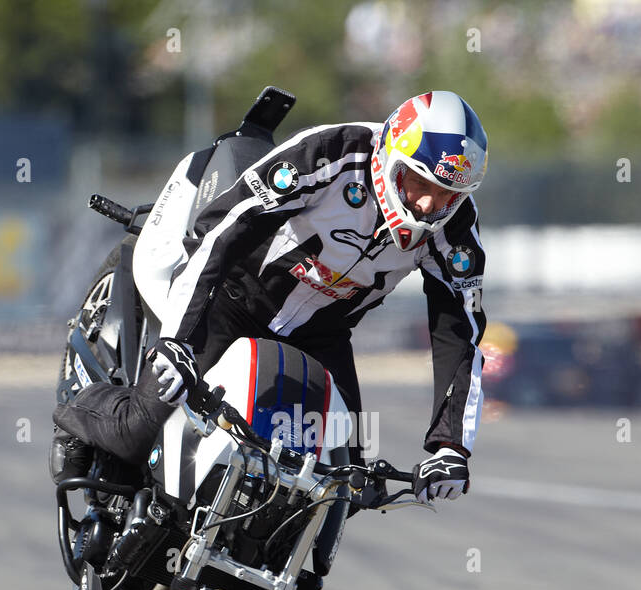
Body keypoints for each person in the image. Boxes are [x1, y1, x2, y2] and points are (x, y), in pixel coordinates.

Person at [54, 90, 488, 504]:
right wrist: (178, 341)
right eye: (419, 182)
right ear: (393, 159)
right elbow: (224, 233)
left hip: (321, 336)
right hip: (231, 301)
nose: (431, 205)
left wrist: (450, 448)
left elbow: (460, 332)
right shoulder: (330, 153)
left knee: (346, 481)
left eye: (449, 193)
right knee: (139, 427)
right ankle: (78, 416)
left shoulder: (457, 231)